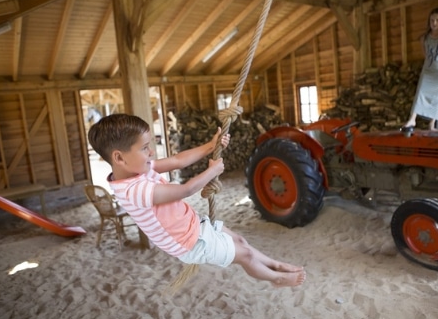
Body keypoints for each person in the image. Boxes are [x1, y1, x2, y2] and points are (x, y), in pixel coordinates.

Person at [87, 113, 306, 288]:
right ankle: (275, 278)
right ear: (119, 157)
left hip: (192, 224)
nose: (151, 152)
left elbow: (177, 160)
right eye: (145, 148)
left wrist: (211, 146)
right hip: (189, 242)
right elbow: (185, 190)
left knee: (240, 241)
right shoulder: (133, 190)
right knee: (245, 255)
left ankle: (274, 265)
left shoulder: (137, 169)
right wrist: (212, 171)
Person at [402, 7, 438, 133]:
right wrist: (429, 61)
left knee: (437, 96)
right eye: (432, 20)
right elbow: (425, 53)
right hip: (427, 70)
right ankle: (412, 119)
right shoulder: (425, 37)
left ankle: (432, 123)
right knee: (420, 92)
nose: (434, 23)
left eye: (437, 20)